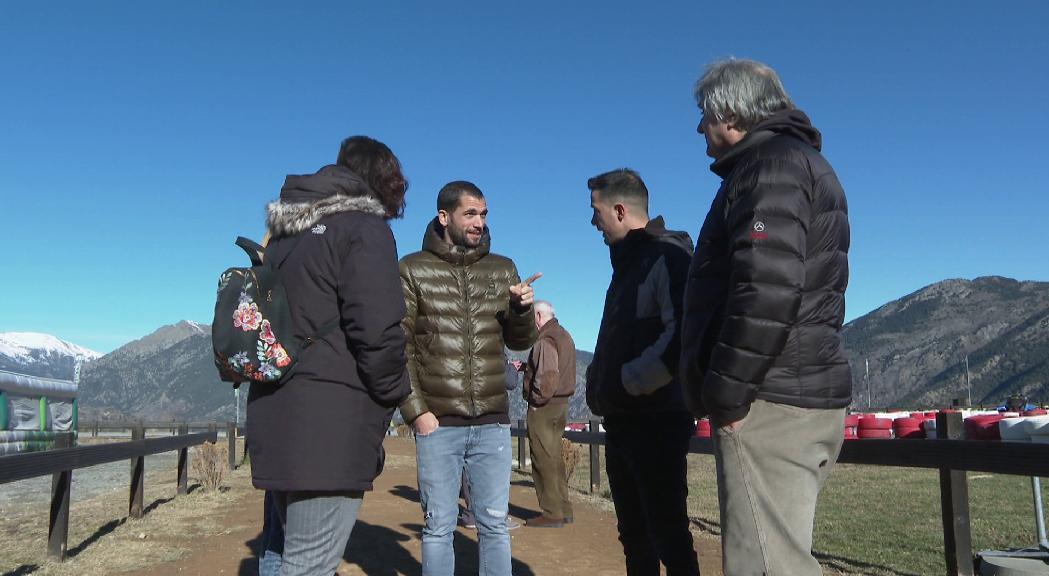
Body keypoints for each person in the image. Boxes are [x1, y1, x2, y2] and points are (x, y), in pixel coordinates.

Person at [680, 58, 852, 576]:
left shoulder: (770, 167)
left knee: (766, 564)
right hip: (796, 393)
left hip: (769, 402)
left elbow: (766, 290)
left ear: (731, 114)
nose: (700, 128)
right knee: (782, 555)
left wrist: (727, 395)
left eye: (705, 115)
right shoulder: (792, 164)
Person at [247, 135, 413, 576]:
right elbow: (377, 328)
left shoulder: (285, 236)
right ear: (384, 179)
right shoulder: (363, 229)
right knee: (309, 566)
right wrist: (397, 394)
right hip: (328, 427)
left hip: (276, 411)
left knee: (280, 555)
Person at [399, 180, 538, 575]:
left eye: (484, 214)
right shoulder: (412, 269)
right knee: (439, 527)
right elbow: (400, 347)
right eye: (470, 213)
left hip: (493, 422)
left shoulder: (503, 268)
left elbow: (519, 340)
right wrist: (417, 414)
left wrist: (521, 309)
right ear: (444, 217)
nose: (480, 222)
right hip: (438, 425)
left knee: (494, 525)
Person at [585, 169, 699, 575]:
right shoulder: (626, 267)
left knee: (669, 536)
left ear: (619, 210)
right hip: (624, 422)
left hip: (657, 422)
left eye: (595, 211)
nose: (593, 222)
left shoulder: (667, 256)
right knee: (634, 538)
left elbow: (683, 334)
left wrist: (626, 382)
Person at [522, 300, 576, 528]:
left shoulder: (545, 340)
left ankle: (551, 513)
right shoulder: (564, 336)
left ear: (538, 316)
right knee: (554, 457)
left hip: (545, 407)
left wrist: (535, 400)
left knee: (542, 457)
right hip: (561, 405)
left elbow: (548, 377)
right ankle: (564, 509)